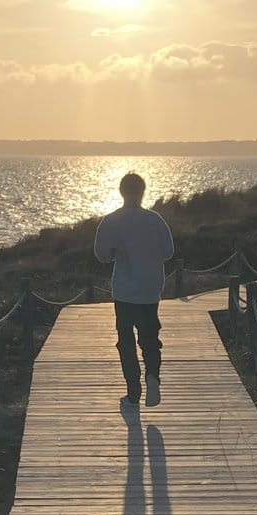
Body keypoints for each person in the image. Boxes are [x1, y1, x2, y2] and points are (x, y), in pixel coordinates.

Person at [93, 172, 174, 409]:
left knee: (126, 341)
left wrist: (118, 253)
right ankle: (152, 378)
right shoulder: (156, 220)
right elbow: (169, 252)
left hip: (125, 293)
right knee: (150, 339)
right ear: (142, 192)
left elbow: (101, 255)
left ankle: (133, 391)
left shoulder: (110, 221)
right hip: (150, 291)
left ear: (121, 192)